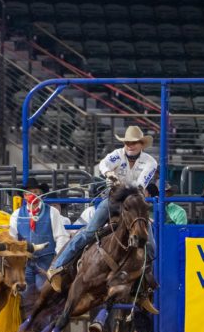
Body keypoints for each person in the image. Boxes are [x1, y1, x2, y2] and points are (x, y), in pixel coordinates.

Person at [46, 125, 157, 292]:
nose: (130, 145)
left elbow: (139, 185)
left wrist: (121, 184)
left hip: (133, 203)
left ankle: (143, 283)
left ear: (141, 144)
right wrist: (108, 174)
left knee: (150, 245)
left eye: (134, 142)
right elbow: (103, 164)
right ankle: (58, 266)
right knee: (89, 231)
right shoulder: (117, 155)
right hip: (113, 200)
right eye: (127, 142)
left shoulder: (150, 162)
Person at [9, 178, 70, 312]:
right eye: (28, 192)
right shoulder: (16, 215)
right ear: (24, 196)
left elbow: (61, 236)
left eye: (36, 191)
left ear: (41, 194)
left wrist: (56, 262)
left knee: (45, 294)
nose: (32, 195)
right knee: (25, 295)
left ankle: (44, 326)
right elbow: (11, 238)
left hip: (47, 262)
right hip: (25, 263)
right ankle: (29, 325)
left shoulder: (52, 212)